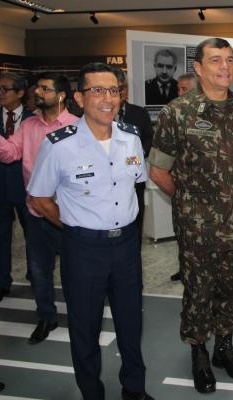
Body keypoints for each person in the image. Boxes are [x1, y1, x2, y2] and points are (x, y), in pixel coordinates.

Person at [27, 62, 153, 400]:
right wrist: (70, 223)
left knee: (131, 323)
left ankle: (135, 389)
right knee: (84, 327)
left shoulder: (130, 138)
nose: (107, 98)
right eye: (97, 90)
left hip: (126, 246)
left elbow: (136, 186)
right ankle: (91, 393)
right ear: (80, 98)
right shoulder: (59, 145)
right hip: (82, 248)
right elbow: (38, 197)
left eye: (113, 90)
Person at [148, 38, 233, 394]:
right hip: (197, 227)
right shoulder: (177, 111)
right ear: (198, 67)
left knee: (232, 290)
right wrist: (190, 202)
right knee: (198, 291)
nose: (225, 67)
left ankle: (225, 347)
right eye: (215, 60)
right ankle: (199, 353)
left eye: (229, 60)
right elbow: (159, 171)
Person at [0, 72, 78, 344]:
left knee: (73, 270)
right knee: (40, 270)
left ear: (61, 95)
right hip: (35, 213)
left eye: (45, 88)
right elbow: (9, 153)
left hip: (68, 214)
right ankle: (46, 316)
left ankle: (80, 317)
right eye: (38, 88)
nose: (38, 91)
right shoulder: (29, 126)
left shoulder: (78, 126)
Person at [0, 72, 34, 302]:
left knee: (34, 236)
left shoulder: (34, 120)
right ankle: (2, 282)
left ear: (20, 93)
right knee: (0, 237)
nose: (0, 93)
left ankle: (36, 274)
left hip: (27, 189)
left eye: (5, 89)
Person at [114, 68, 154, 244]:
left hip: (134, 179)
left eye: (123, 87)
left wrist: (130, 161)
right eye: (116, 88)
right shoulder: (96, 117)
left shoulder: (139, 113)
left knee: (135, 224)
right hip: (106, 181)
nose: (120, 92)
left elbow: (148, 140)